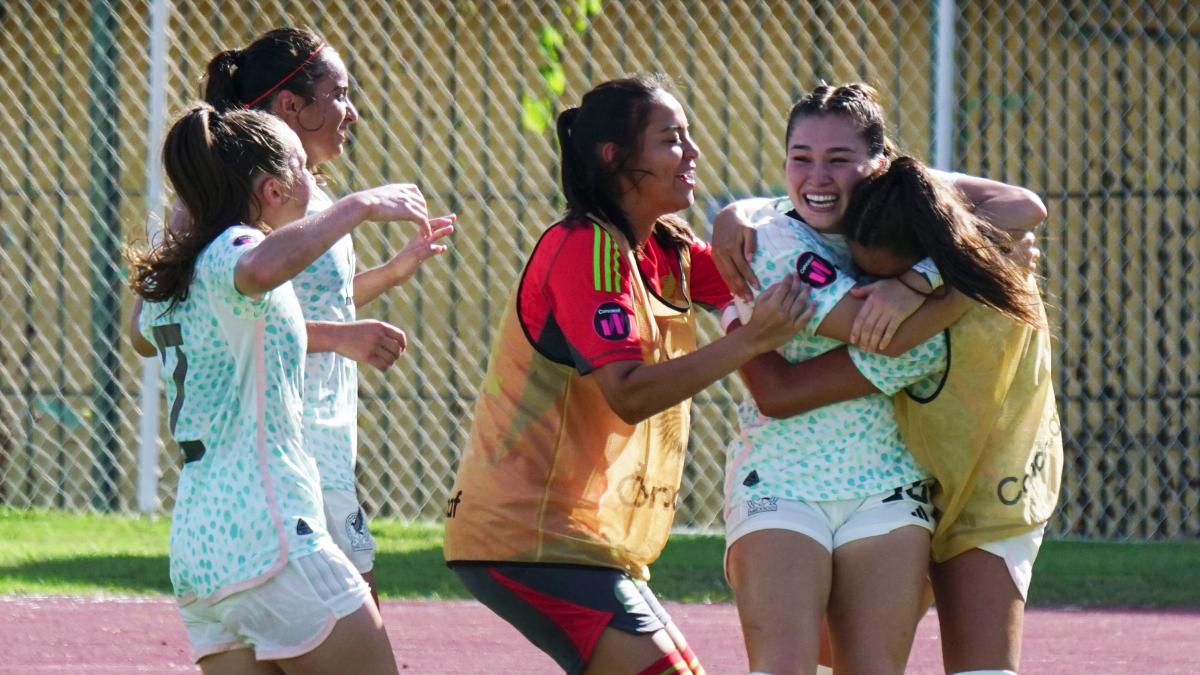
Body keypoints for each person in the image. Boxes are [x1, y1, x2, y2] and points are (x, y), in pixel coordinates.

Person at [442, 74, 815, 675]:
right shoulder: (583, 250)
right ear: (615, 157)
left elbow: (757, 286)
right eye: (672, 139)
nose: (692, 153)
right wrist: (753, 339)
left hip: (589, 543)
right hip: (526, 536)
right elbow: (630, 394)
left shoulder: (668, 248)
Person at [712, 83, 1049, 675]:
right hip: (784, 486)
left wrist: (917, 278)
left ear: (882, 164)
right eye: (801, 157)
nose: (817, 175)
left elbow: (1026, 206)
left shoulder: (918, 226)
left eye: (839, 158)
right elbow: (887, 342)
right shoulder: (772, 239)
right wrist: (966, 281)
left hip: (916, 483)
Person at [127, 104, 423, 672]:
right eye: (301, 169)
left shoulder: (179, 274)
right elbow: (258, 268)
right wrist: (361, 206)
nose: (313, 180)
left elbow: (144, 334)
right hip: (271, 533)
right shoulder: (233, 252)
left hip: (200, 548)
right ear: (270, 189)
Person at [201, 27, 456, 601]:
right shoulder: (251, 197)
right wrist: (342, 335)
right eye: (339, 94)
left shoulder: (310, 198)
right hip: (277, 444)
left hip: (327, 441)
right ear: (290, 105)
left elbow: (295, 309)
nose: (353, 112)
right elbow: (225, 319)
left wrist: (389, 274)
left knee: (341, 614)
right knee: (351, 620)